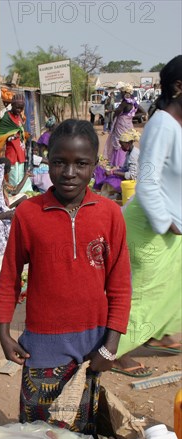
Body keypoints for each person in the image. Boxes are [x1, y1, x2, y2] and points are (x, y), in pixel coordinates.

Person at [0, 119, 132, 435]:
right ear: (48, 161)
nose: (69, 173)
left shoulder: (110, 214)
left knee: (78, 428)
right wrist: (3, 331)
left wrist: (110, 345)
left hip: (93, 344)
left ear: (94, 166)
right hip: (43, 345)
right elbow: (10, 276)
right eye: (59, 162)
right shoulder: (29, 214)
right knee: (37, 430)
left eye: (81, 164)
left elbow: (121, 285)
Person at [113, 55, 182, 377]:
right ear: (179, 87)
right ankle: (116, 351)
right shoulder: (162, 124)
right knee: (143, 290)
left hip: (173, 226)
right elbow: (148, 182)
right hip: (152, 225)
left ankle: (162, 335)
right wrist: (167, 223)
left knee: (173, 286)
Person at [93, 129, 140, 196]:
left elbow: (132, 176)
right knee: (101, 171)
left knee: (110, 181)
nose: (121, 147)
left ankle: (104, 197)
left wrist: (113, 172)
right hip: (128, 175)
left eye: (122, 145)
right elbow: (125, 167)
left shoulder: (133, 155)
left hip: (134, 181)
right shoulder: (129, 152)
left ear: (129, 143)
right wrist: (115, 169)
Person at [104, 84, 141, 166]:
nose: (120, 94)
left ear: (125, 92)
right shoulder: (134, 102)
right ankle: (127, 163)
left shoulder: (125, 102)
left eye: (121, 92)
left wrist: (114, 114)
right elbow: (143, 112)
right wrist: (131, 116)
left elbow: (116, 112)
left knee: (119, 143)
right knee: (128, 142)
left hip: (121, 124)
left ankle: (119, 164)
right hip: (129, 125)